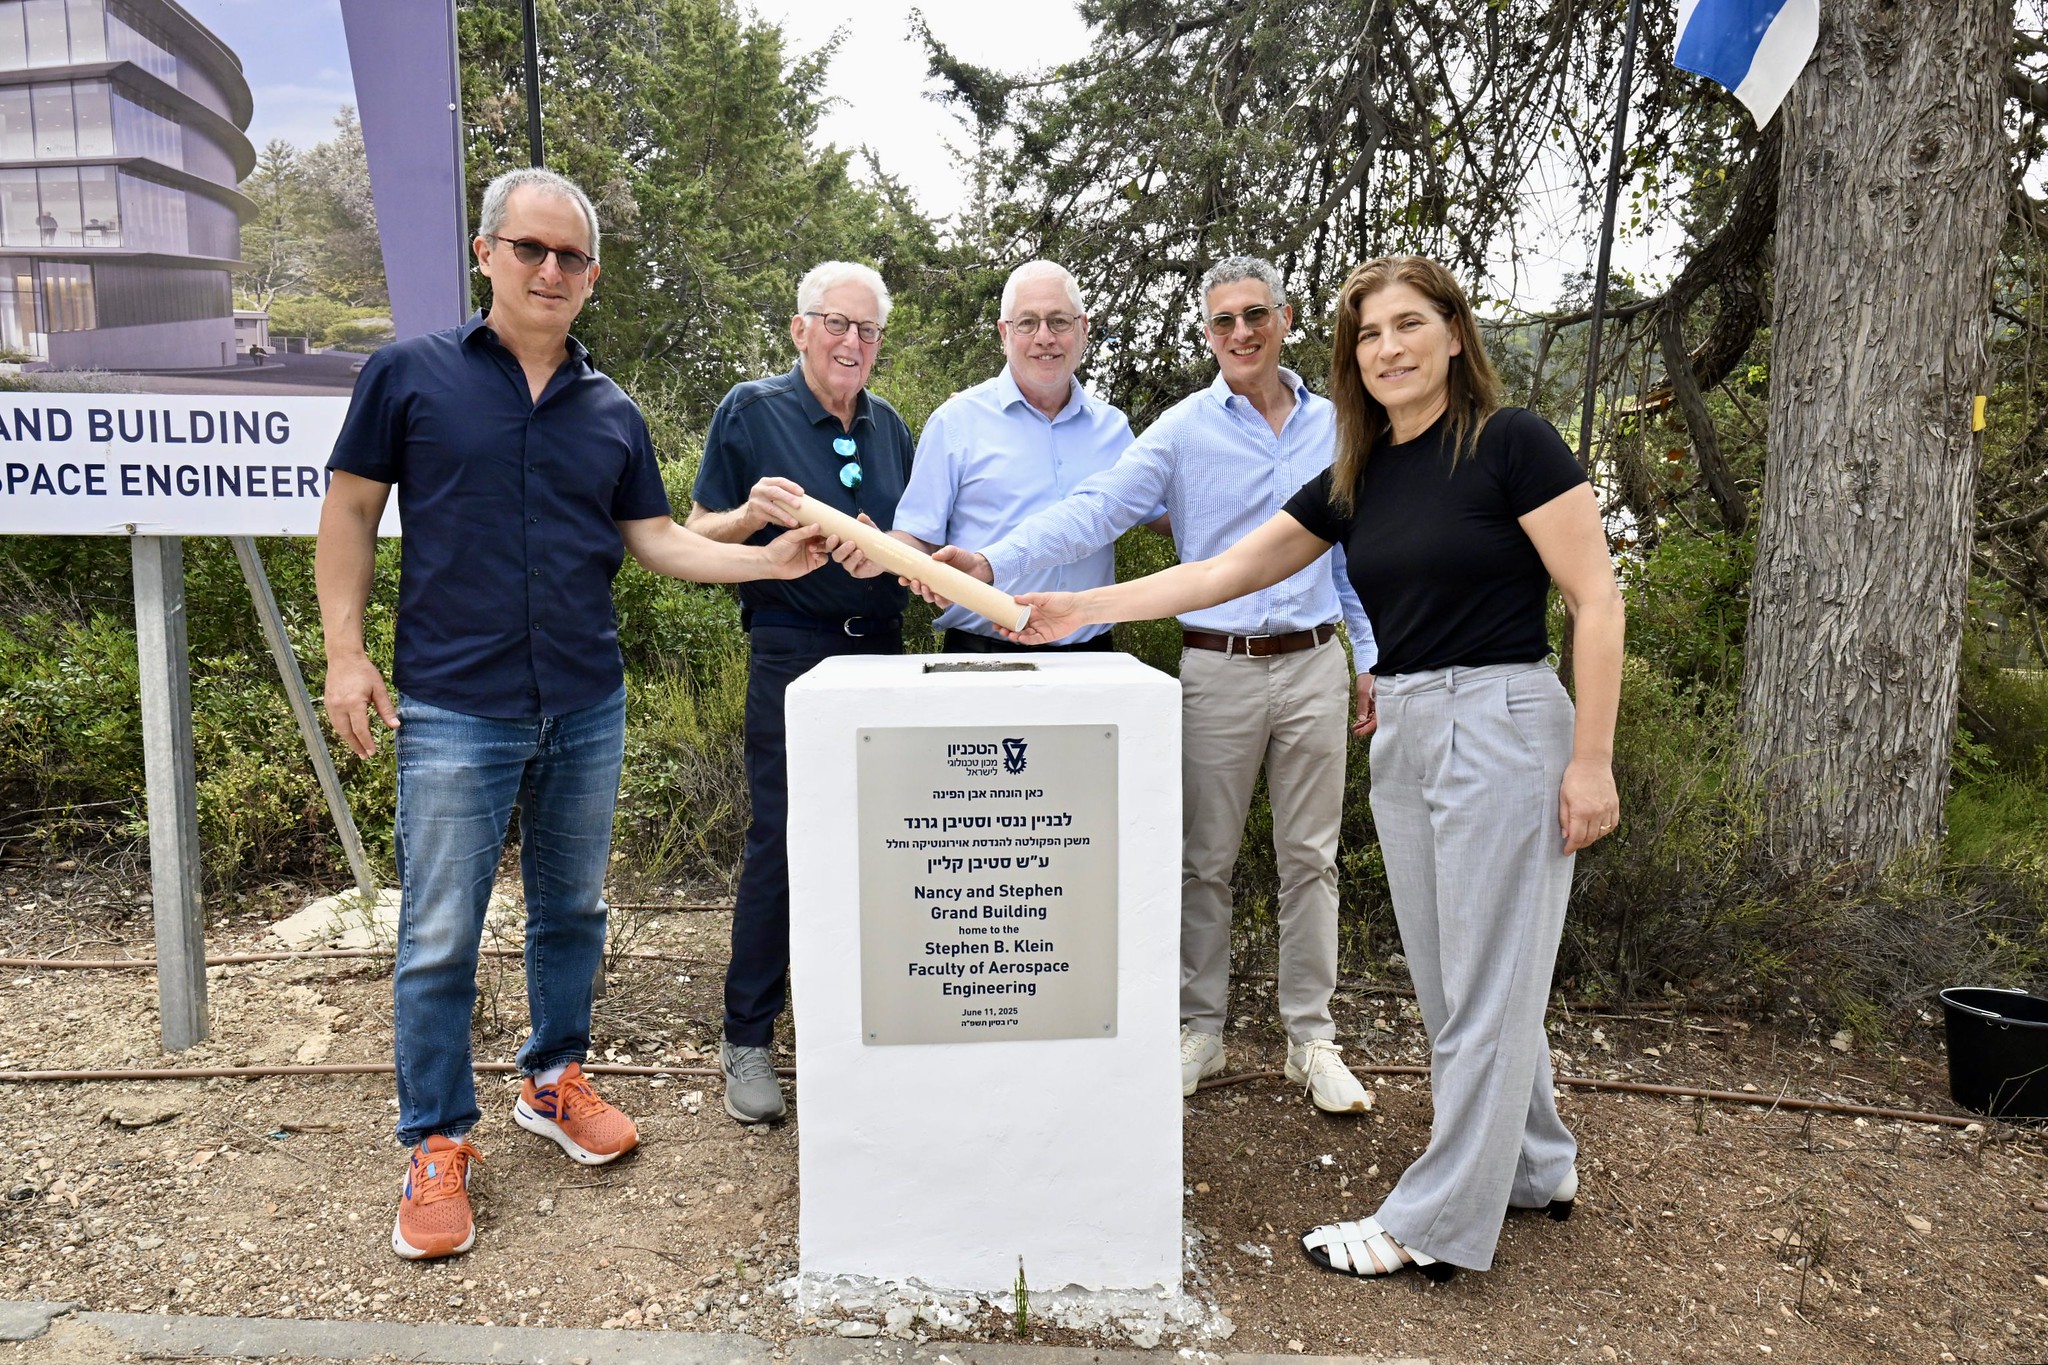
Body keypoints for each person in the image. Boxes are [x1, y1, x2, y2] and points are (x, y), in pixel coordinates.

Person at [1002, 254, 1624, 1281]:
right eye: (1368, 334)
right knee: (1457, 982)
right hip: (1408, 727)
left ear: (1454, 334)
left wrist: (1591, 761)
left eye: (1408, 325)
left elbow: (1595, 599)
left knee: (1483, 987)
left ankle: (1433, 1222)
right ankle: (1532, 1163)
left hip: (1503, 721)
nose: (1388, 348)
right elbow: (1225, 568)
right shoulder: (1359, 469)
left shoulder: (1511, 442)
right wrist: (1076, 606)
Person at [316, 168, 827, 1262]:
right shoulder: (408, 376)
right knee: (439, 933)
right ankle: (436, 1138)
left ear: (592, 277)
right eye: (531, 249)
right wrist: (345, 656)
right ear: (487, 253)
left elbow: (657, 540)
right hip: (454, 703)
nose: (551, 270)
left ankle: (551, 1079)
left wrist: (769, 560)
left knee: (571, 914)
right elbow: (351, 509)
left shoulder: (612, 411)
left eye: (572, 257)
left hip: (586, 703)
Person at [940, 256, 1377, 1114]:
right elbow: (1096, 509)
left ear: (1286, 319)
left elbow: (1353, 556)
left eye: (1256, 315)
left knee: (1312, 859)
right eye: (1224, 321)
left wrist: (1369, 654)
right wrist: (992, 561)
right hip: (1217, 667)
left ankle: (1312, 1039)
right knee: (1203, 861)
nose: (1241, 333)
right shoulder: (1180, 430)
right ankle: (1200, 1030)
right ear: (1208, 333)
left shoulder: (1337, 426)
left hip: (1314, 663)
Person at [688, 261, 914, 1123]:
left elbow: (917, 541)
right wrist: (752, 517)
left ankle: (861, 1033)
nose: (851, 342)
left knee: (880, 845)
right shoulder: (751, 410)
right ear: (800, 328)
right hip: (794, 652)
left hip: (883, 652)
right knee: (781, 840)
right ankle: (746, 1037)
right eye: (836, 324)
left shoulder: (893, 427)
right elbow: (696, 532)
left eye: (867, 330)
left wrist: (887, 548)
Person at [891, 260, 1138, 652]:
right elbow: (918, 537)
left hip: (1090, 657)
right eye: (1027, 323)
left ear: (1083, 329)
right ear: (1004, 333)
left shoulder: (1114, 430)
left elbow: (1166, 516)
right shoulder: (956, 422)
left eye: (1059, 321)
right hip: (979, 656)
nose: (1044, 337)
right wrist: (877, 552)